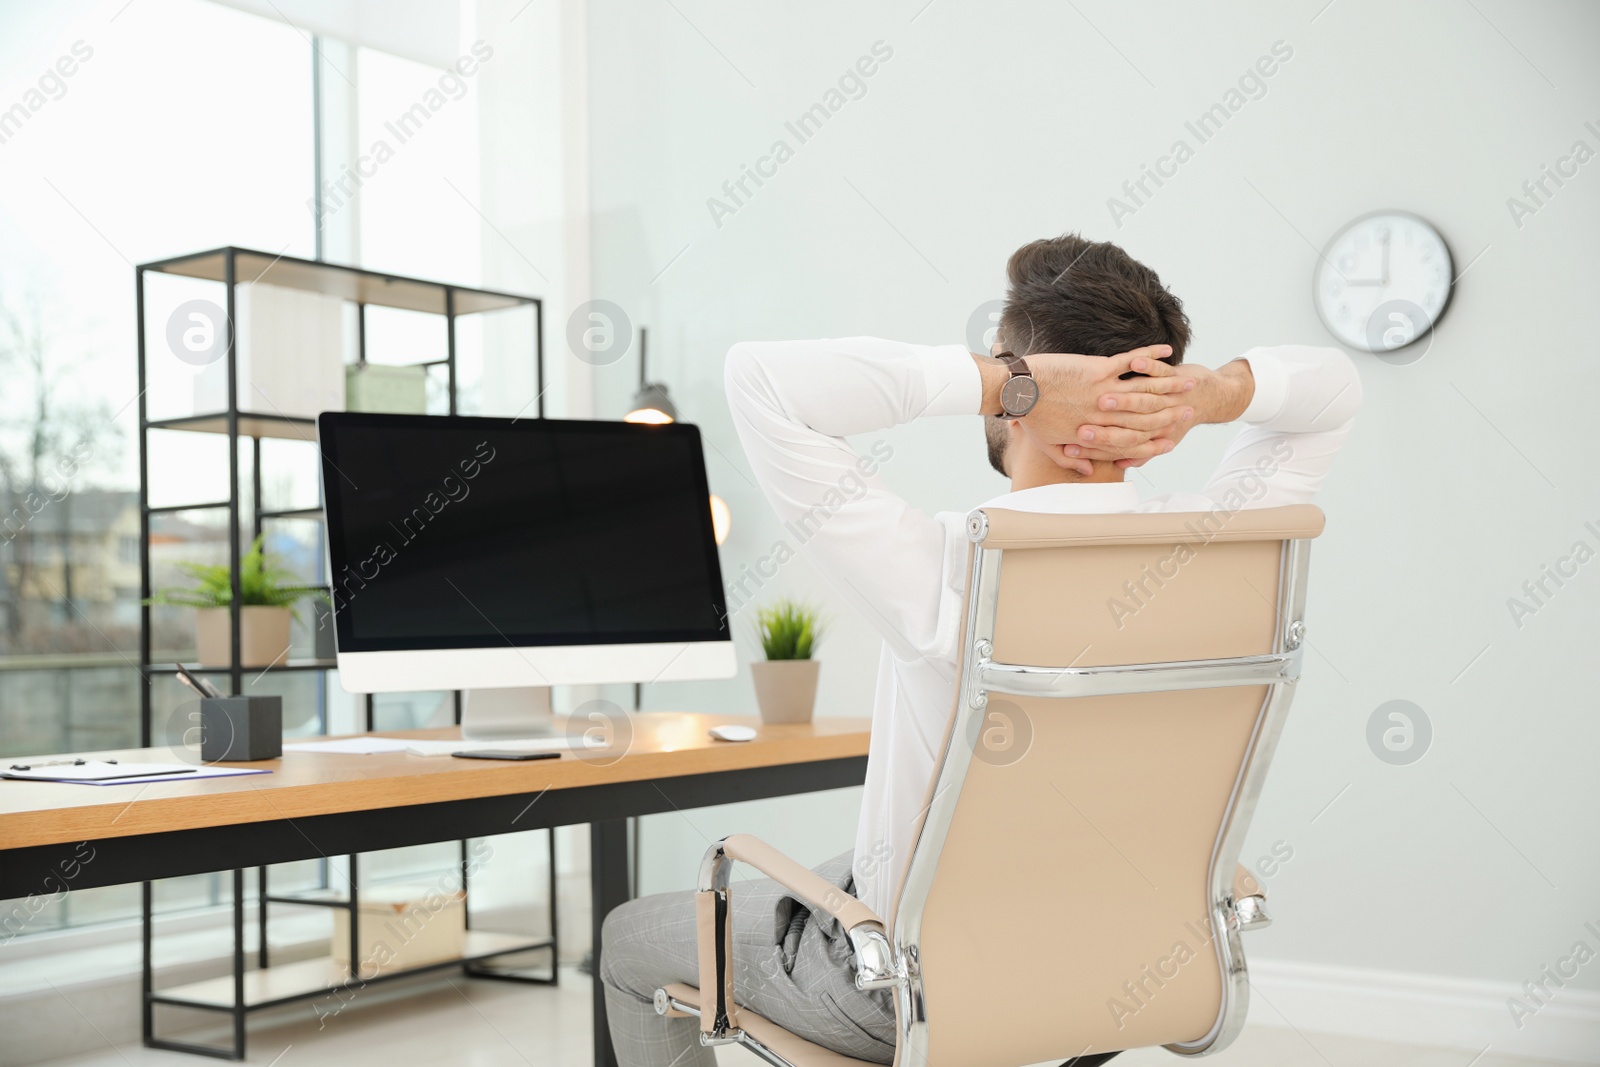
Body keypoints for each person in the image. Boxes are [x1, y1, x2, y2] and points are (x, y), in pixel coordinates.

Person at [599, 233, 1361, 1065]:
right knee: (854, 863)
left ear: (1025, 392)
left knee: (632, 937)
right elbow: (1333, 390)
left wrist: (1011, 382)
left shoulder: (957, 567)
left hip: (913, 993)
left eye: (1010, 370)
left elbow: (761, 377)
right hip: (1125, 968)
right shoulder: (1223, 548)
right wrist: (1209, 393)